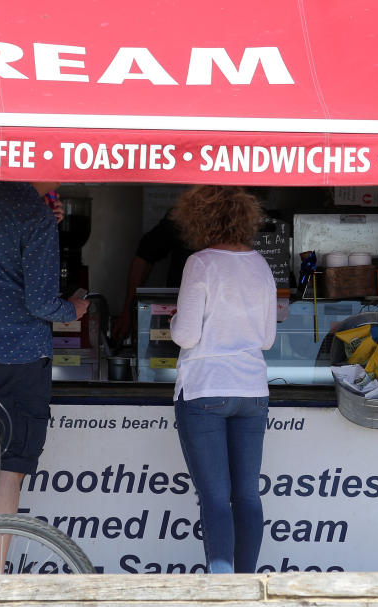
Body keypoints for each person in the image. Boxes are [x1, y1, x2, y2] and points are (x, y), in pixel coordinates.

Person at [0, 181, 90, 531]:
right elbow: (41, 303)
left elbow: (2, 249)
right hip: (22, 355)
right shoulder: (34, 215)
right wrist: (73, 309)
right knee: (9, 472)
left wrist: (47, 224)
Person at [168, 185, 277, 574]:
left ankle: (222, 587)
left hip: (206, 388)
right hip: (251, 391)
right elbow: (266, 339)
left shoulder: (201, 263)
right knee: (247, 495)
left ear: (198, 220)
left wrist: (172, 320)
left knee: (215, 498)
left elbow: (185, 336)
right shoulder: (260, 264)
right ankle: (246, 587)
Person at [111, 210, 194, 343]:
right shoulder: (185, 216)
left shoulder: (237, 218)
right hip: (179, 315)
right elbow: (145, 254)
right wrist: (129, 311)